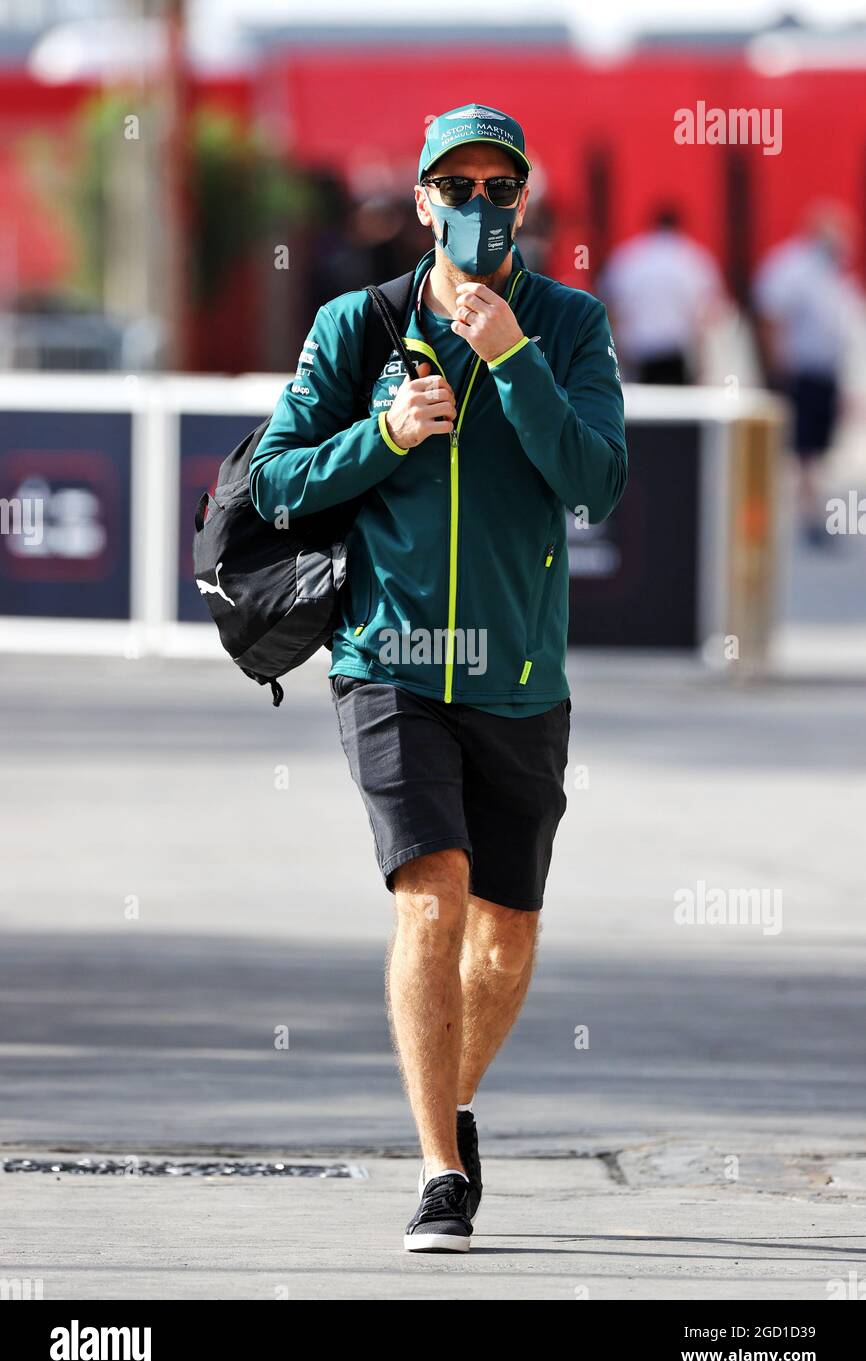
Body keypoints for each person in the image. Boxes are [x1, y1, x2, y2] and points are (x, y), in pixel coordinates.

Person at [250, 103, 627, 1253]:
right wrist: (384, 434)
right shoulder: (354, 326)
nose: (474, 208)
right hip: (390, 662)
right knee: (432, 889)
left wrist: (511, 358)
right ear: (417, 201)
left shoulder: (567, 324)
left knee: (504, 936)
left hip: (518, 671)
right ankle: (436, 1172)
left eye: (494, 189)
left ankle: (447, 1101)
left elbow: (596, 481)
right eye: (452, 188)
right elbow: (274, 484)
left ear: (523, 201)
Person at [753, 202, 858, 546]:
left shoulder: (831, 272)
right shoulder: (793, 267)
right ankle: (800, 516)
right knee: (800, 447)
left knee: (812, 449)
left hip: (822, 371)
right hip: (800, 371)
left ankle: (807, 512)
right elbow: (771, 316)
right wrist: (777, 368)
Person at [599, 205, 725, 384]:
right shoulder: (694, 258)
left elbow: (611, 309)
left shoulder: (628, 257)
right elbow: (709, 313)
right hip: (679, 354)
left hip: (639, 353)